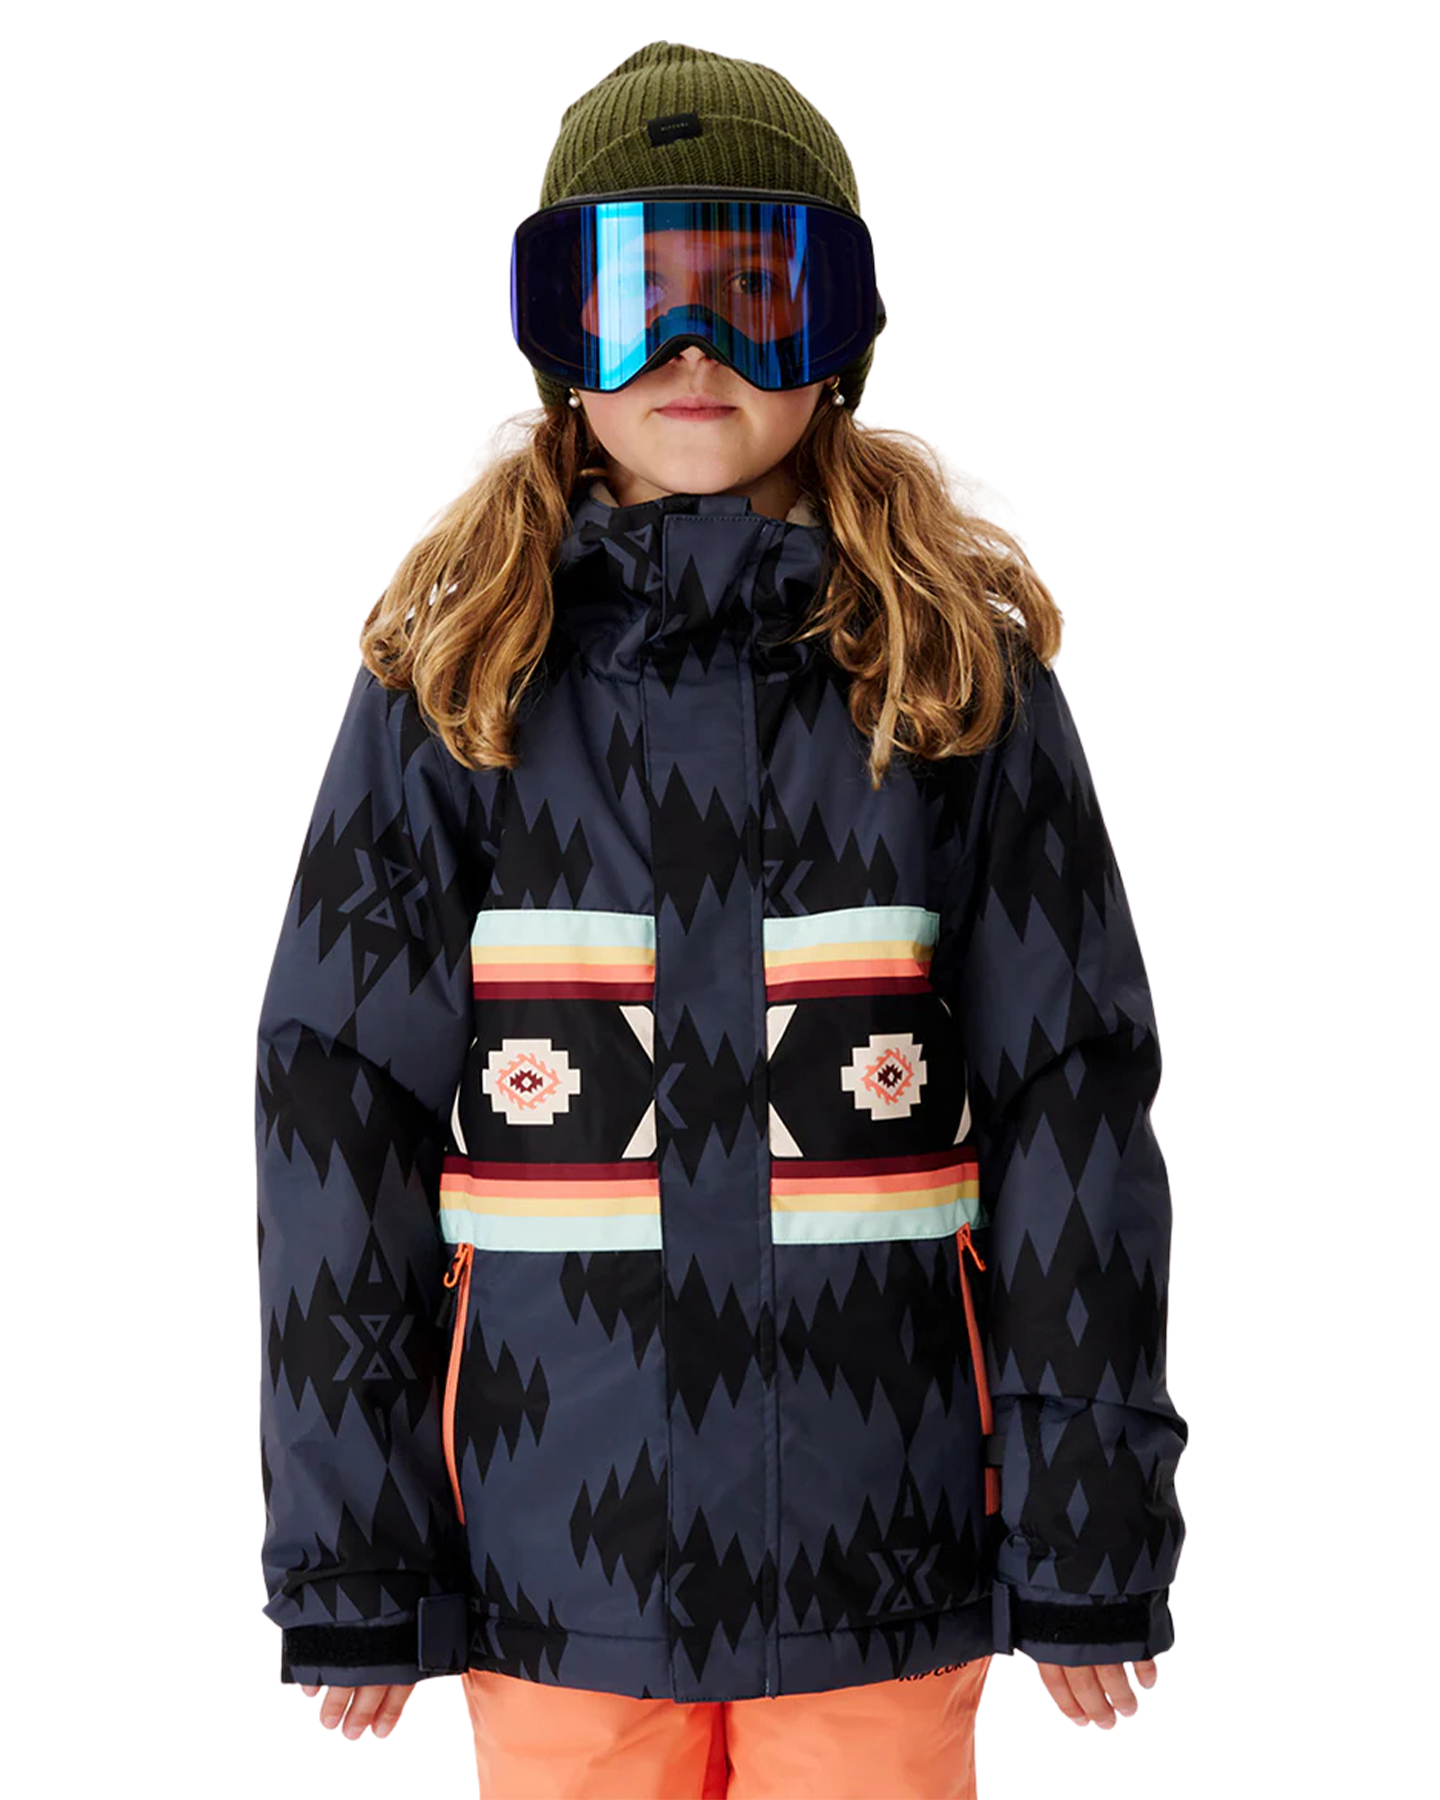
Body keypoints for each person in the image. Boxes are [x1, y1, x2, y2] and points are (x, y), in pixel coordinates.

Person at [257, 41, 1188, 1800]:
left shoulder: (950, 675)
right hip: (556, 1555)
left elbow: (1069, 1097)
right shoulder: (457, 680)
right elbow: (336, 1108)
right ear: (559, 337)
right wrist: (360, 1554)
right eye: (633, 299)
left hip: (880, 1552)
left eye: (754, 295)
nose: (692, 357)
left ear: (839, 332)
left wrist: (1084, 1536)